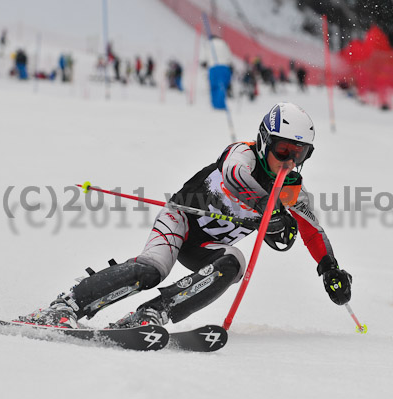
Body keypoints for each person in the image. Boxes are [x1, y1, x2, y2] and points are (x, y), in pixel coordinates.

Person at [17, 102, 353, 329]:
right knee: (152, 270)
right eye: (283, 151)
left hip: (206, 248)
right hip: (181, 219)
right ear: (265, 141)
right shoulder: (244, 154)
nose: (290, 161)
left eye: (300, 153)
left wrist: (330, 269)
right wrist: (271, 209)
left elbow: (311, 229)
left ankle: (152, 314)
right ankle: (66, 305)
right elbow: (235, 177)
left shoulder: (292, 188)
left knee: (236, 260)